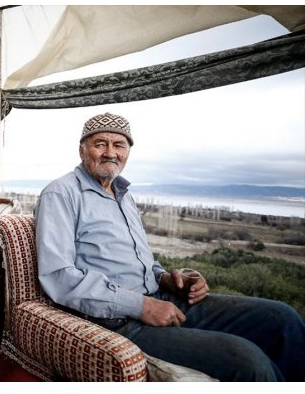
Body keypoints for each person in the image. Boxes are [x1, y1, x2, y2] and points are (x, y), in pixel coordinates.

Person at [33, 112, 305, 382]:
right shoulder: (61, 194)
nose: (110, 153)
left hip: (162, 298)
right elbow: (59, 276)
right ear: (82, 150)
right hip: (118, 320)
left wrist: (167, 278)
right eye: (99, 143)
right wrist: (141, 306)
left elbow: (141, 261)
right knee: (247, 360)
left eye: (119, 145)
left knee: (282, 319)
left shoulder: (124, 196)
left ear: (128, 151)